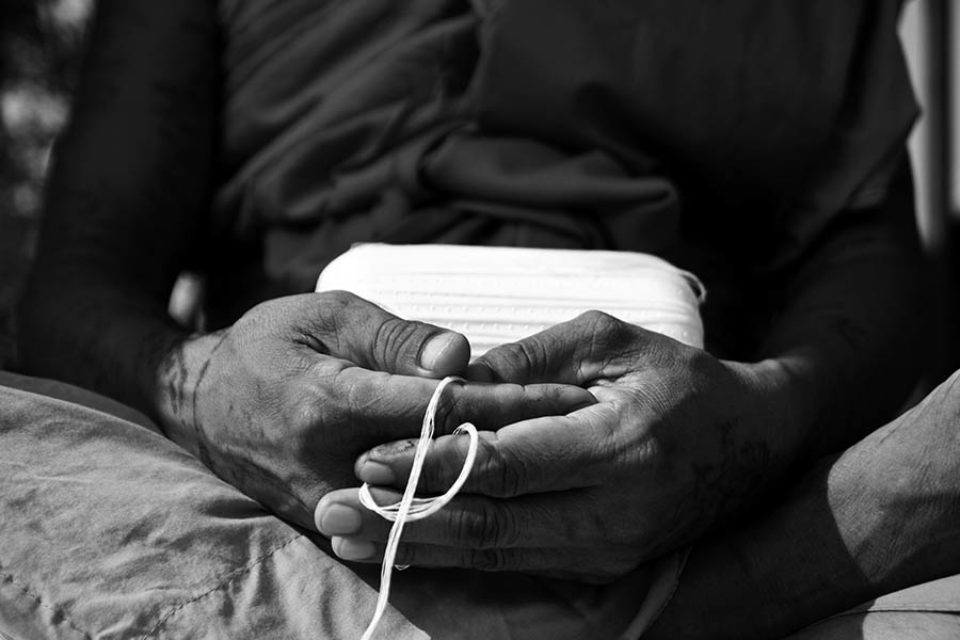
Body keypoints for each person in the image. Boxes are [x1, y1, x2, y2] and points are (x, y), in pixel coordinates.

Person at [5, 0, 958, 637]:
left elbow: (870, 257)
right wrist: (206, 387)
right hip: (262, 478)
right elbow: (78, 289)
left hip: (695, 481)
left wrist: (769, 414)